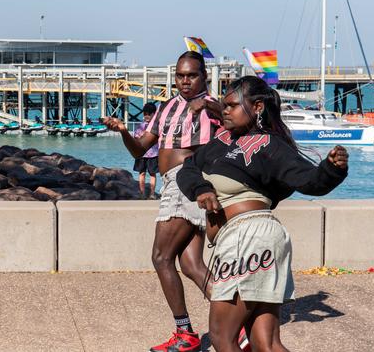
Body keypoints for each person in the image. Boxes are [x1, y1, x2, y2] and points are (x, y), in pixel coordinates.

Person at [176, 76, 348, 352]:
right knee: (264, 342)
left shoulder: (269, 145)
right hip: (256, 240)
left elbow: (310, 181)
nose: (226, 111)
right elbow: (188, 169)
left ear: (257, 107)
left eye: (232, 105)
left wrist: (332, 170)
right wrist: (202, 189)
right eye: (224, 105)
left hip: (248, 238)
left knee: (222, 337)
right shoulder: (221, 141)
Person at [103, 51, 224, 352]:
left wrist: (209, 106)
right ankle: (237, 323)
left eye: (192, 75)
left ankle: (186, 333)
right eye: (180, 76)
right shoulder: (166, 107)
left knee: (160, 257)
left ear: (203, 76)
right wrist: (123, 132)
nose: (185, 81)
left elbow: (228, 116)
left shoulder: (210, 105)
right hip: (174, 182)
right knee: (192, 264)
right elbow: (140, 149)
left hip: (187, 180)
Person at [133, 103, 159, 199]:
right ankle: (142, 192)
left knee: (153, 174)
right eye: (145, 114)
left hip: (154, 153)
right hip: (141, 153)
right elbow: (135, 138)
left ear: (154, 114)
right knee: (142, 173)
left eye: (149, 114)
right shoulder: (140, 125)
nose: (146, 116)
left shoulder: (157, 126)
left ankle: (152, 193)